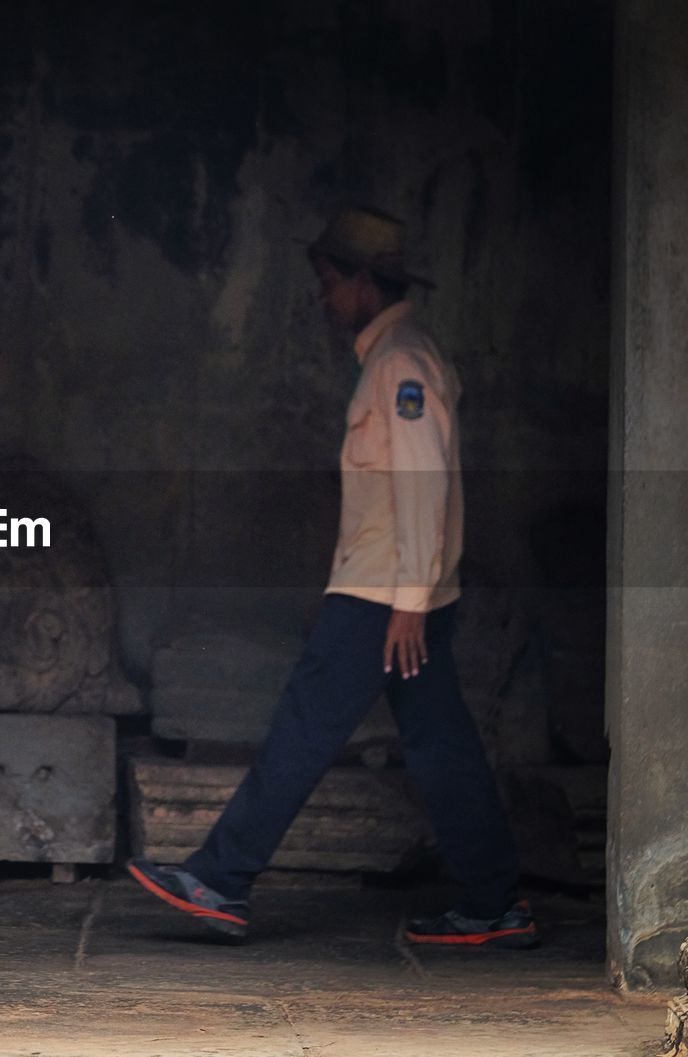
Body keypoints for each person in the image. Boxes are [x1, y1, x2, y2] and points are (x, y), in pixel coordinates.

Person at [128, 205, 536, 949]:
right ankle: (495, 900)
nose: (321, 297)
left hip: (385, 598)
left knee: (304, 728)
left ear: (361, 282)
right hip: (387, 591)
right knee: (440, 743)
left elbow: (421, 482)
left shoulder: (400, 364)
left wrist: (408, 601)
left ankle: (221, 877)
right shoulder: (394, 355)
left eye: (327, 280)